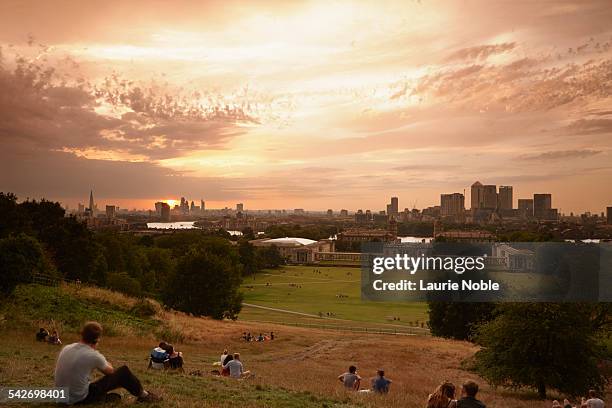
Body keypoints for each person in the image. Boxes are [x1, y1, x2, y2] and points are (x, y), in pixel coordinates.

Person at [55, 321, 160, 404]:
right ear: (97, 339)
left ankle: (105, 398)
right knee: (123, 372)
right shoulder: (93, 355)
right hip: (79, 398)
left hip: (61, 396)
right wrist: (104, 360)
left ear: (82, 334)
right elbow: (110, 372)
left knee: (93, 387)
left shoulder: (67, 348)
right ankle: (144, 395)